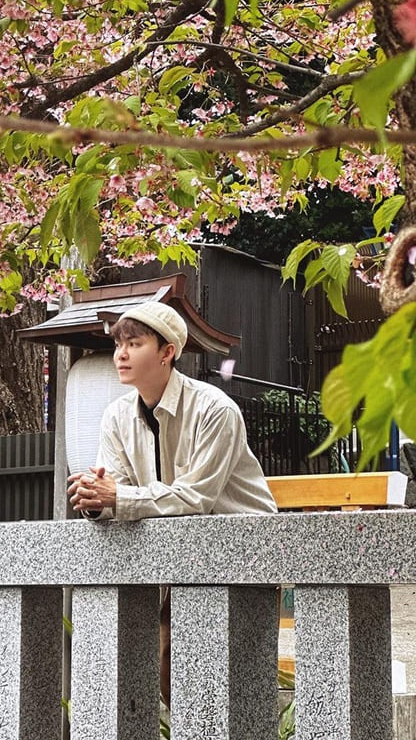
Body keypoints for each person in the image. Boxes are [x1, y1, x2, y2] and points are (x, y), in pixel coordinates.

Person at [66, 299, 277, 706]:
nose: (121, 354)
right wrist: (94, 500)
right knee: (169, 674)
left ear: (167, 353)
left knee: (224, 686)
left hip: (240, 555)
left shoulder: (215, 409)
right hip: (177, 557)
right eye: (118, 345)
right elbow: (116, 487)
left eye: (135, 343)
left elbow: (196, 496)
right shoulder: (115, 416)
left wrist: (117, 497)